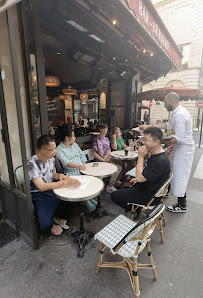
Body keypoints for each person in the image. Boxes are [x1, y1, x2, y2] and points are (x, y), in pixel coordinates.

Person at [27, 135, 81, 235]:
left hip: (54, 189)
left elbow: (54, 174)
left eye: (55, 148)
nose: (55, 151)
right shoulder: (32, 163)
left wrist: (61, 176)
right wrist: (64, 182)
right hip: (39, 194)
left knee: (76, 199)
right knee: (45, 226)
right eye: (52, 149)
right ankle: (53, 219)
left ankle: (58, 217)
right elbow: (41, 187)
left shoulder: (51, 158)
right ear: (42, 150)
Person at [111, 127, 170, 214]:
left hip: (148, 195)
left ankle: (133, 209)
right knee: (126, 183)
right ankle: (132, 205)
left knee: (114, 195)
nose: (143, 142)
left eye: (146, 140)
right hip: (148, 186)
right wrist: (137, 180)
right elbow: (146, 175)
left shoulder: (158, 161)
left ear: (156, 142)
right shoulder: (159, 155)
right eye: (143, 139)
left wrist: (141, 157)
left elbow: (139, 178)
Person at [157, 92, 195, 212]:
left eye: (165, 102)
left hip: (184, 149)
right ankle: (168, 192)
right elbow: (169, 126)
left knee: (180, 175)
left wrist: (159, 142)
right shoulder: (177, 113)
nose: (164, 104)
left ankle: (182, 205)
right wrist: (152, 126)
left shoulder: (179, 114)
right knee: (175, 172)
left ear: (171, 101)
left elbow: (178, 138)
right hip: (181, 148)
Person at [56, 125, 97, 211]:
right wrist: (78, 166)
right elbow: (65, 162)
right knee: (79, 182)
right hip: (71, 172)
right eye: (73, 135)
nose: (75, 137)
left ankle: (87, 197)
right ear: (67, 137)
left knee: (91, 178)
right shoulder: (59, 149)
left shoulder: (74, 145)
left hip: (82, 168)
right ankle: (86, 201)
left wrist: (84, 165)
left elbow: (82, 155)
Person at [92, 123, 122, 193]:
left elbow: (109, 150)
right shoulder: (96, 139)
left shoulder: (107, 139)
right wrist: (102, 159)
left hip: (107, 159)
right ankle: (110, 185)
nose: (105, 130)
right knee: (117, 168)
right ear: (100, 129)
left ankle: (112, 183)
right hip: (99, 160)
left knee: (120, 166)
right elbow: (94, 153)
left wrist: (106, 156)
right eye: (103, 128)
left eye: (106, 128)